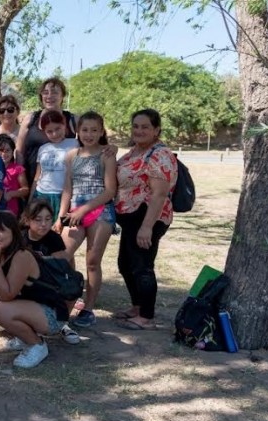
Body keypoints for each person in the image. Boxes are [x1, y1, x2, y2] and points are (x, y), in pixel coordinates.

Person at [0, 211, 69, 368]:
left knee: (1, 309)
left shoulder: (21, 255)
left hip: (53, 314)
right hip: (32, 306)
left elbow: (6, 295)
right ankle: (23, 337)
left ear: (14, 232)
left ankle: (37, 345)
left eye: (2, 230)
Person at [113, 109, 177, 330]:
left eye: (145, 127)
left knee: (142, 266)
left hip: (148, 217)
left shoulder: (160, 155)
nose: (139, 131)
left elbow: (159, 194)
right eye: (136, 126)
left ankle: (146, 317)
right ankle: (137, 306)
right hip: (130, 218)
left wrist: (147, 227)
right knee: (126, 264)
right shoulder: (135, 152)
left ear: (156, 130)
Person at [55, 111, 118, 328]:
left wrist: (84, 211)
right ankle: (67, 298)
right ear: (78, 131)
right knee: (62, 256)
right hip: (74, 211)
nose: (89, 134)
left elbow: (110, 191)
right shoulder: (72, 155)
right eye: (85, 130)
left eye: (94, 130)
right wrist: (61, 216)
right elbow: (67, 188)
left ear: (101, 132)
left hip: (100, 211)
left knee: (92, 262)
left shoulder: (107, 155)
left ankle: (89, 308)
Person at [21, 199, 82, 345]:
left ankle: (63, 323)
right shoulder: (20, 238)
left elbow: (60, 267)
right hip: (26, 283)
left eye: (48, 219)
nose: (44, 224)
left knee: (73, 283)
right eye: (38, 219)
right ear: (28, 220)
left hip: (48, 281)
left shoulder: (54, 238)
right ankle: (27, 328)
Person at [15, 77, 78, 185]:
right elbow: (19, 151)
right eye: (45, 92)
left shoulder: (73, 120)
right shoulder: (30, 119)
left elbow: (92, 139)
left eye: (54, 92)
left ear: (62, 96)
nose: (49, 96)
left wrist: (107, 149)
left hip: (63, 184)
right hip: (31, 180)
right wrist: (21, 178)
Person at [30, 109, 81, 220]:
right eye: (49, 131)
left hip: (62, 195)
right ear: (44, 132)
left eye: (58, 129)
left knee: (58, 227)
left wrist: (112, 148)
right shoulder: (43, 148)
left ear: (64, 125)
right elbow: (38, 176)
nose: (54, 134)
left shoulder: (75, 143)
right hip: (40, 194)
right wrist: (30, 200)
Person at [0, 134, 29, 216]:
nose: (4, 154)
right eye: (1, 150)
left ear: (13, 152)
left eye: (7, 150)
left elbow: (25, 189)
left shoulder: (18, 169)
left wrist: (11, 194)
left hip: (11, 211)